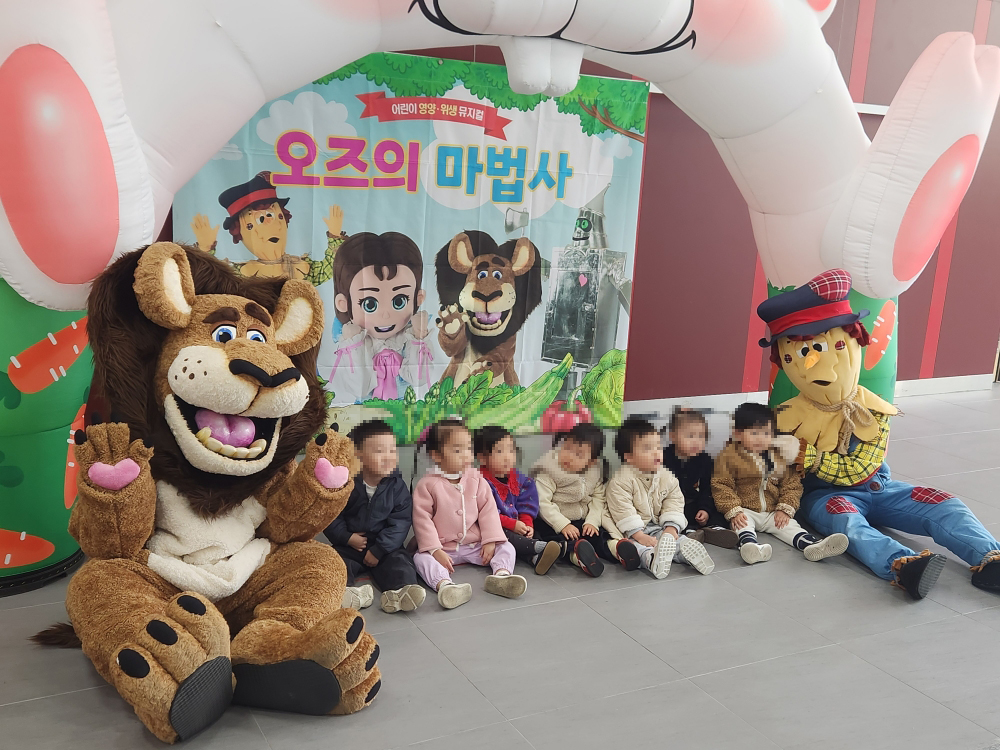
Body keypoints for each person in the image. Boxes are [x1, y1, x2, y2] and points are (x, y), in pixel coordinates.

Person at [759, 269, 1000, 598]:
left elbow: (862, 467)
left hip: (879, 487)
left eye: (833, 346)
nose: (813, 363)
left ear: (853, 343)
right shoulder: (785, 417)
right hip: (825, 496)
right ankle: (902, 564)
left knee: (945, 504)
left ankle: (990, 557)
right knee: (847, 522)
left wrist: (809, 456)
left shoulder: (872, 408)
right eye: (796, 355)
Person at [712, 402, 849, 566]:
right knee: (742, 525)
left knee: (789, 526)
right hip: (745, 510)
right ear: (738, 434)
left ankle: (811, 545)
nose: (761, 439)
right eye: (754, 433)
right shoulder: (728, 457)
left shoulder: (779, 456)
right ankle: (750, 546)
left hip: (773, 512)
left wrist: (785, 508)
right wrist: (733, 510)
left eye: (766, 433)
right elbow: (721, 485)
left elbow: (792, 485)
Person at [411, 419, 528, 609]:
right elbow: (422, 520)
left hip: (475, 546)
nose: (466, 454)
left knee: (506, 547)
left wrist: (490, 540)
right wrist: (435, 550)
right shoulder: (427, 484)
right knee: (420, 558)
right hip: (444, 548)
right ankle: (445, 586)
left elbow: (488, 510)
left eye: (468, 448)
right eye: (458, 450)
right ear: (437, 455)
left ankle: (501, 576)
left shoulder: (476, 479)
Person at [323, 419, 426, 613]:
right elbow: (331, 514)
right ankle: (347, 594)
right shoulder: (345, 483)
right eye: (379, 451)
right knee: (332, 562)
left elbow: (400, 522)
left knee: (401, 563)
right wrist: (346, 537)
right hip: (350, 544)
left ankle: (401, 593)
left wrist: (380, 549)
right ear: (358, 455)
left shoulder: (397, 487)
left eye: (392, 451)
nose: (388, 457)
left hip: (385, 546)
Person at [329, 231, 433, 403]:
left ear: (418, 298)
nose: (385, 314)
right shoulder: (355, 343)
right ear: (344, 303)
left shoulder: (407, 337)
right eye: (369, 304)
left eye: (399, 301)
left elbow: (418, 378)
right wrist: (354, 346)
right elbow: (360, 388)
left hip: (404, 411)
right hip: (365, 414)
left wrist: (419, 337)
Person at [606, 418, 715, 579]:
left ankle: (687, 553)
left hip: (657, 526)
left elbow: (674, 501)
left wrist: (671, 527)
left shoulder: (666, 476)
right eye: (647, 449)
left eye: (658, 447)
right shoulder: (620, 481)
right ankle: (651, 559)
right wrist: (639, 535)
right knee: (636, 547)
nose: (656, 452)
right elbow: (622, 510)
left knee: (672, 540)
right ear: (629, 457)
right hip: (631, 532)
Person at [531, 423, 629, 577]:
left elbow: (598, 499)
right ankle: (579, 557)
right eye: (567, 448)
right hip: (554, 521)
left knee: (598, 535)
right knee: (561, 541)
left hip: (582, 520)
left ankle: (616, 549)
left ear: (591, 461)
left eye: (578, 454)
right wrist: (563, 525)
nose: (569, 456)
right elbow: (542, 503)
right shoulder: (548, 470)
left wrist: (592, 522)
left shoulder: (594, 471)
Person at [474, 425, 563, 575]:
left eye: (511, 450)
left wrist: (527, 524)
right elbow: (484, 514)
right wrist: (513, 524)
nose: (507, 457)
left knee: (533, 531)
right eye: (499, 451)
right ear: (482, 457)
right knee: (504, 535)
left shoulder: (521, 480)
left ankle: (536, 558)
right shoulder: (479, 482)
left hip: (517, 525)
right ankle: (540, 547)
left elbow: (526, 504)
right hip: (492, 527)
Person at [662, 407, 738, 548]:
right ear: (673, 436)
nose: (696, 442)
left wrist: (705, 509)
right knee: (674, 515)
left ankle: (714, 529)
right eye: (690, 436)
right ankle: (690, 532)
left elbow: (707, 489)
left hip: (697, 503)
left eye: (701, 436)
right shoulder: (663, 459)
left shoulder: (705, 460)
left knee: (717, 509)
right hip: (674, 505)